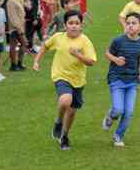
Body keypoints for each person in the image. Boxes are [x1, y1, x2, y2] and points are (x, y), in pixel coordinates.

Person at [33, 10, 97, 150]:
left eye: (77, 23)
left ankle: (65, 136)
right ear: (65, 25)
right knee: (65, 100)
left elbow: (91, 62)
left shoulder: (85, 41)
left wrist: (78, 55)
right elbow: (45, 46)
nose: (74, 26)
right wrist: (36, 61)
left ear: (81, 25)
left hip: (78, 80)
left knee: (72, 111)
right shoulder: (58, 37)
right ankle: (58, 121)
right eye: (70, 23)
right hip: (60, 75)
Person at [102, 12, 140, 147]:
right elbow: (107, 53)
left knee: (129, 112)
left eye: (133, 23)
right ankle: (110, 116)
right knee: (119, 109)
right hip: (117, 79)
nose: (130, 26)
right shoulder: (118, 40)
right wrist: (116, 60)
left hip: (132, 81)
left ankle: (118, 135)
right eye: (128, 23)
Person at [3, 0, 28, 71]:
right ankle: (15, 64)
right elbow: (13, 17)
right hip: (15, 28)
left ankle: (17, 64)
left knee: (16, 45)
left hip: (19, 26)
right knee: (23, 44)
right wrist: (19, 29)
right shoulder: (10, 2)